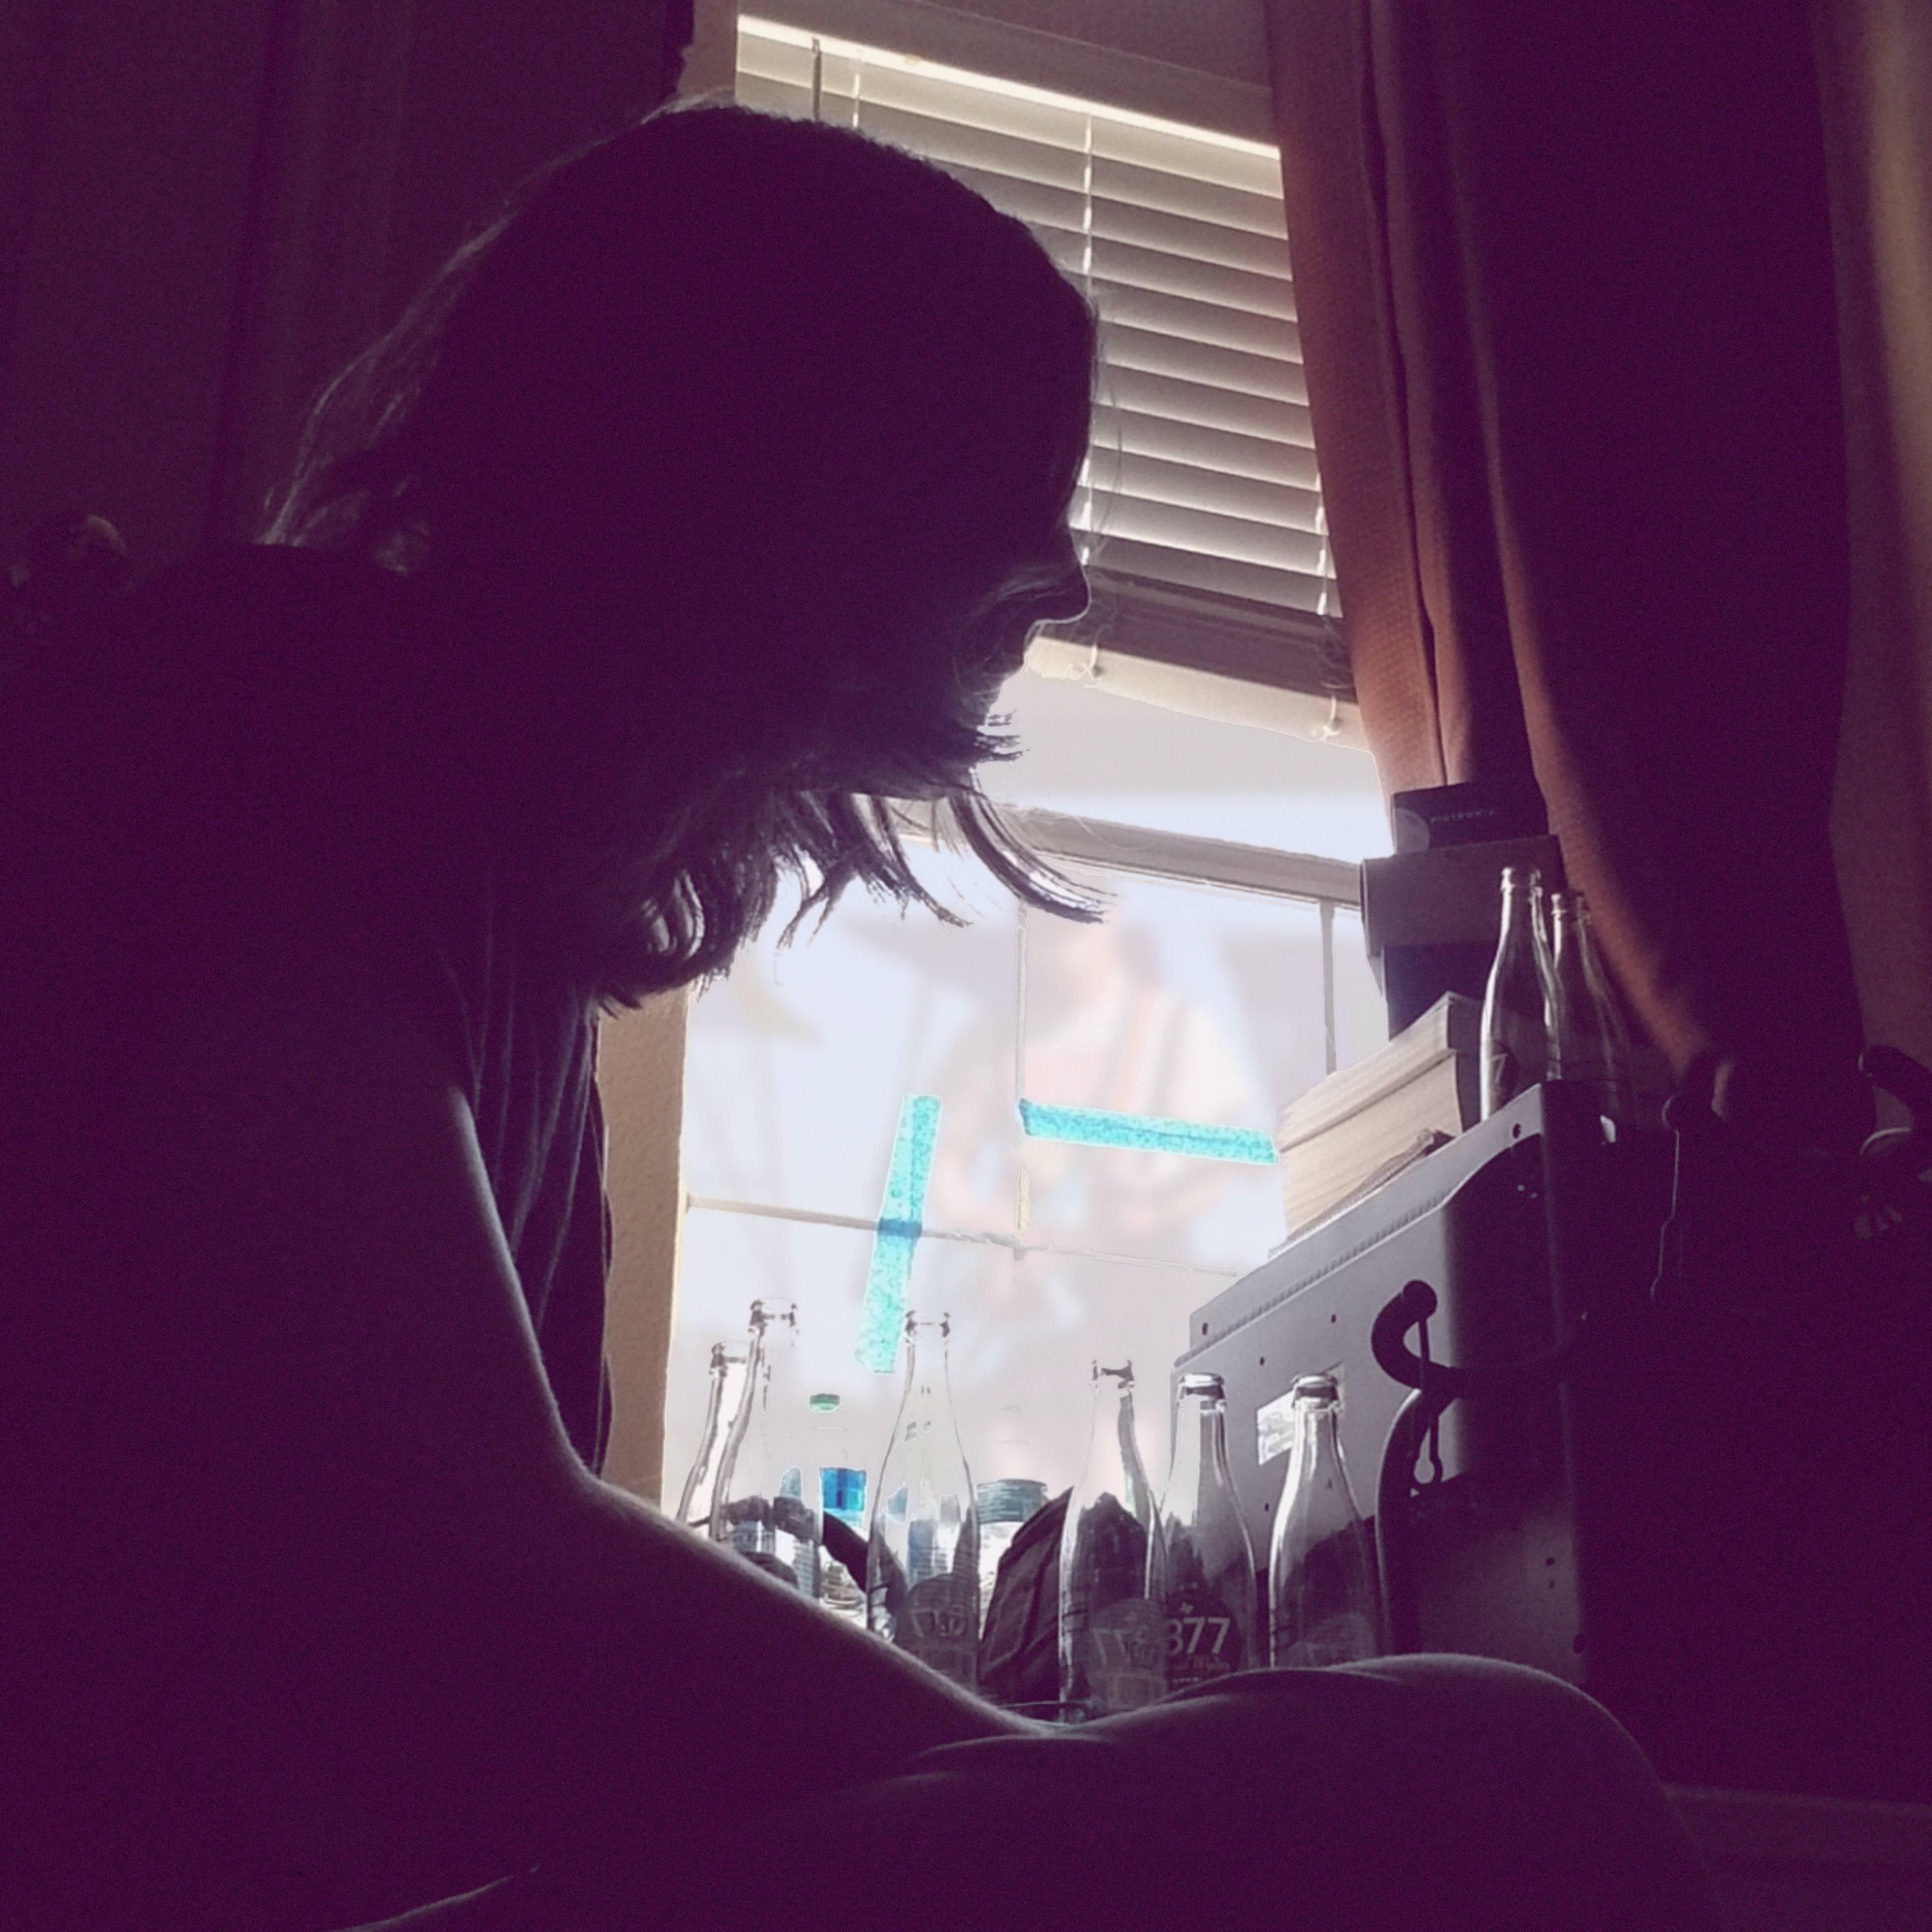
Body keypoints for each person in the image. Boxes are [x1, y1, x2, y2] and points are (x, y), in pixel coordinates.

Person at [0, 103, 1721, 1932]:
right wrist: (1096, 1821)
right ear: (800, 462)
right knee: (1503, 1766)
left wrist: (1057, 1803)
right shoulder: (290, 710)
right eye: (1013, 475)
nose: (1067, 574)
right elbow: (451, 1575)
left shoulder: (482, 904)